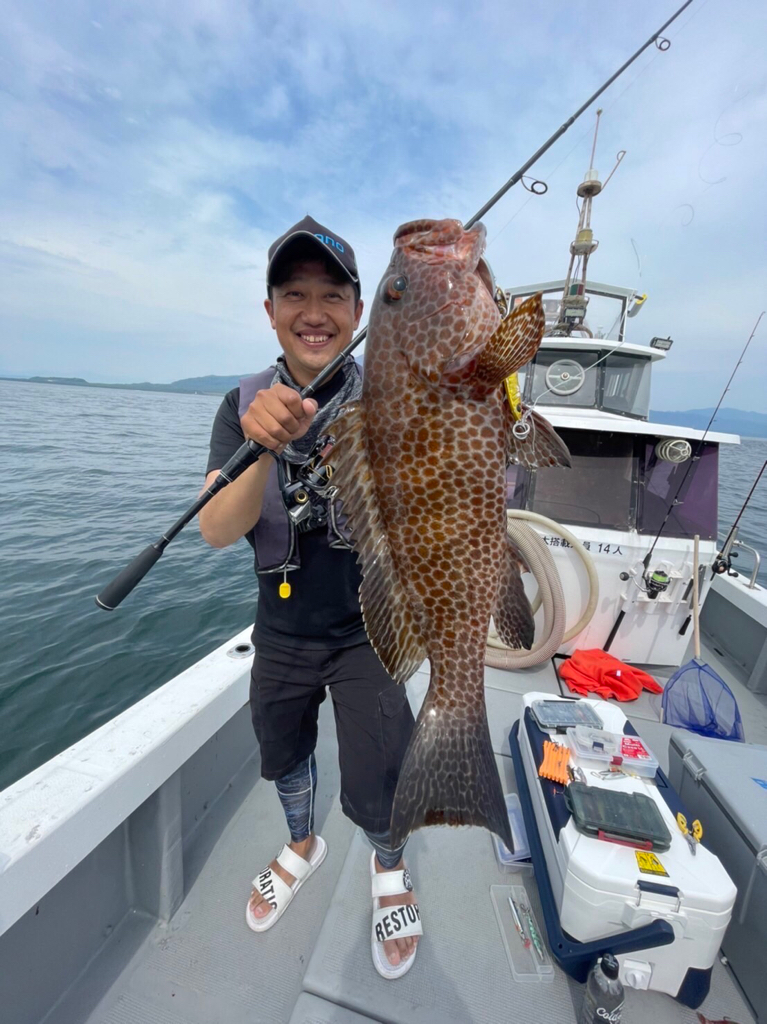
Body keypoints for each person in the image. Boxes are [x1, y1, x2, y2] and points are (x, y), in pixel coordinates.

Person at [199, 216, 422, 979]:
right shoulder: (241, 404)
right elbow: (217, 531)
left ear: (359, 313)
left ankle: (387, 863)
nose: (314, 310)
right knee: (282, 746)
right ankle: (302, 843)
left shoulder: (393, 393)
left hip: (373, 625)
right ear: (270, 311)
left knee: (381, 757)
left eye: (332, 294)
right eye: (294, 293)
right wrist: (259, 446)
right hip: (284, 624)